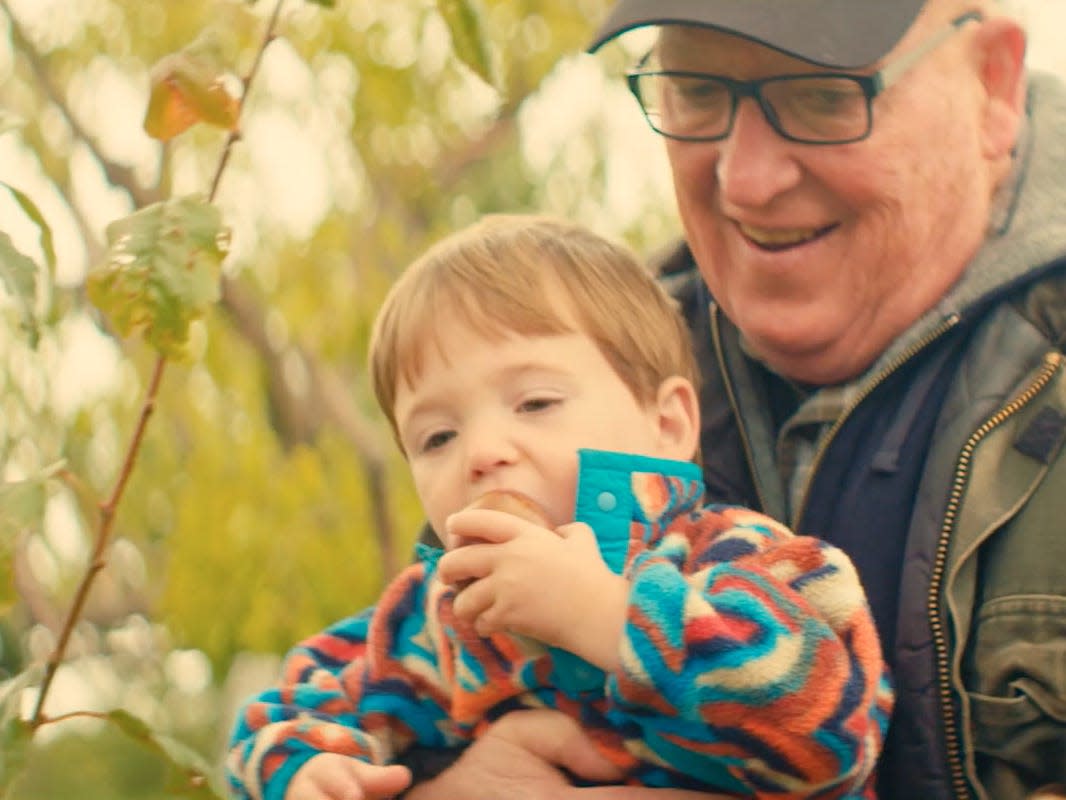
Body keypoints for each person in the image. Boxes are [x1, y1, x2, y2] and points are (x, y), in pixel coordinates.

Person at [396, 1, 1066, 799]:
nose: (745, 179)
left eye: (822, 97)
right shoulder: (575, 375)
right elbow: (397, 688)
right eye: (698, 91)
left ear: (991, 84)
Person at [225, 214, 893, 800]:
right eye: (437, 437)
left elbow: (833, 731)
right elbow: (300, 696)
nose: (482, 451)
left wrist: (607, 616)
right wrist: (308, 767)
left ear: (667, 425)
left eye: (535, 403)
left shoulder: (738, 559)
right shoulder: (435, 617)